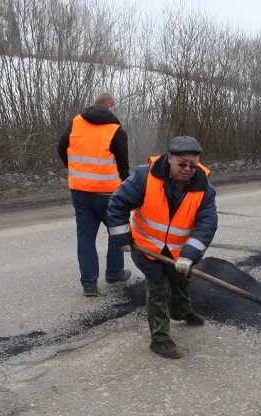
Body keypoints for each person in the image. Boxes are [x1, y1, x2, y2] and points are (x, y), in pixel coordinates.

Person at [106, 136, 218, 359]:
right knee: (159, 287)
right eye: (182, 164)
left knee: (181, 279)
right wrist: (122, 238)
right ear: (169, 159)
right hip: (146, 247)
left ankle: (182, 311)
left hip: (177, 251)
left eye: (193, 165)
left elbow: (207, 223)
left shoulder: (204, 188)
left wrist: (189, 255)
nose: (188, 169)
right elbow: (118, 203)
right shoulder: (144, 176)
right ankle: (160, 340)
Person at [57, 92, 131, 296]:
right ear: (109, 105)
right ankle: (114, 273)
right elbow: (123, 168)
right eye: (114, 106)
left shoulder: (76, 122)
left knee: (85, 236)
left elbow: (61, 147)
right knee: (116, 232)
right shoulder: (116, 130)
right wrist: (128, 190)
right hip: (108, 193)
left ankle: (89, 284)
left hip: (80, 190)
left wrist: (72, 167)